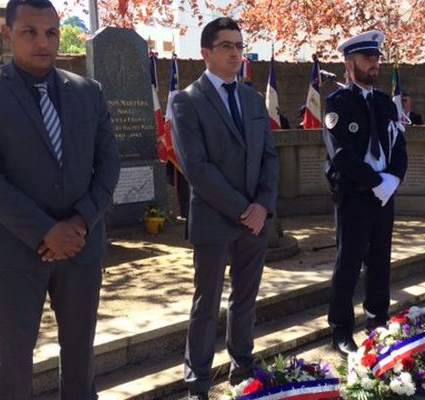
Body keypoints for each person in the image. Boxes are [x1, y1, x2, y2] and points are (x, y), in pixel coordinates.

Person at [0, 0, 120, 398]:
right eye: (30, 32)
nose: (43, 42)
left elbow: (108, 166)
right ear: (6, 34)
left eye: (51, 32)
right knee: (15, 358)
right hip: (14, 254)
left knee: (80, 352)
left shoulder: (89, 92)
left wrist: (79, 223)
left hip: (81, 251)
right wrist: (46, 231)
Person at [171, 17, 279, 400]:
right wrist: (243, 209)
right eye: (227, 46)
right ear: (206, 53)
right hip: (215, 220)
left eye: (239, 45)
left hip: (255, 220)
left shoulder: (251, 99)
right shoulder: (185, 101)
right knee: (207, 302)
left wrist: (262, 206)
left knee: (245, 299)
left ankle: (243, 366)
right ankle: (197, 379)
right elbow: (196, 168)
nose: (236, 53)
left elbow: (269, 157)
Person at [323, 30, 407, 359]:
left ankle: (377, 318)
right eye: (367, 59)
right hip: (355, 194)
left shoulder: (386, 102)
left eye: (376, 59)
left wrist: (392, 180)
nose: (374, 65)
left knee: (380, 260)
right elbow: (340, 153)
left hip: (384, 194)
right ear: (349, 63)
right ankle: (341, 329)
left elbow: (400, 146)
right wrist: (374, 181)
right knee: (349, 262)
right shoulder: (338, 103)